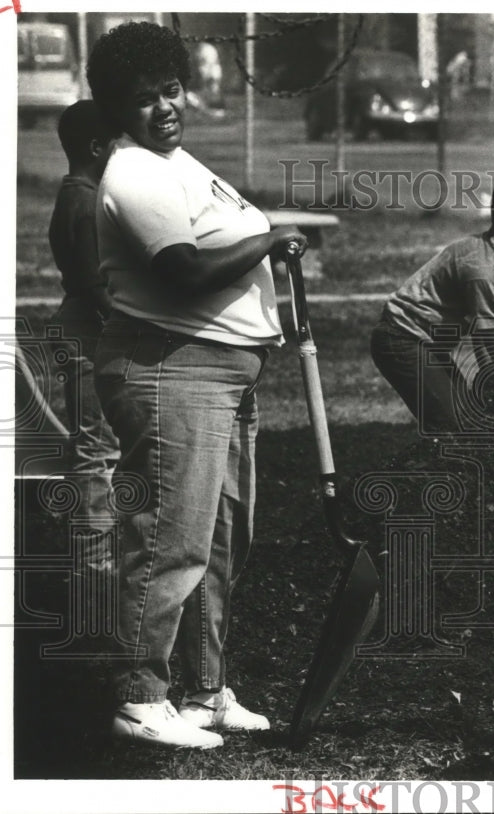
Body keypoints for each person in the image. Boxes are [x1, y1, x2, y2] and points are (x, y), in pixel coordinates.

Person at [86, 21, 308, 749]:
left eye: (171, 89)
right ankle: (140, 694)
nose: (164, 107)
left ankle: (205, 689)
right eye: (144, 98)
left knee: (220, 540)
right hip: (173, 367)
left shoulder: (178, 162)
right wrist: (271, 239)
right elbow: (180, 271)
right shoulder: (135, 173)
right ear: (118, 108)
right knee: (170, 540)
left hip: (226, 374)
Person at [370, 171, 494, 433]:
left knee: (470, 420)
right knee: (453, 427)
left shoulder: (493, 255)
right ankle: (428, 473)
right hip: (402, 341)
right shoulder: (482, 268)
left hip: (425, 344)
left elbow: (481, 334)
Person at [47, 100, 120, 575]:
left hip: (76, 327)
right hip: (87, 333)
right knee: (98, 447)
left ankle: (95, 545)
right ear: (97, 147)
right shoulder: (85, 202)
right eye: (116, 144)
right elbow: (96, 287)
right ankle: (93, 558)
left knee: (95, 443)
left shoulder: (70, 193)